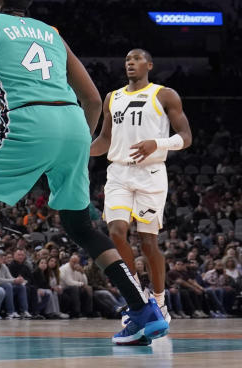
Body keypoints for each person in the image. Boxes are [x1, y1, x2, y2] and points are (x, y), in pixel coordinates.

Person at [0, 0, 167, 346]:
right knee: (82, 226)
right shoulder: (51, 32)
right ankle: (145, 310)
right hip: (72, 122)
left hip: (28, 121)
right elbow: (95, 99)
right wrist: (80, 143)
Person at [90, 48, 192, 323]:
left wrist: (156, 144)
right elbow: (104, 140)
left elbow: (186, 137)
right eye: (126, 59)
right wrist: (80, 150)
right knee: (116, 231)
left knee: (148, 243)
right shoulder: (113, 97)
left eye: (136, 59)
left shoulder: (164, 94)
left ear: (149, 64)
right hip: (119, 173)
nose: (130, 63)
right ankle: (137, 296)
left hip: (151, 174)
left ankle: (159, 301)